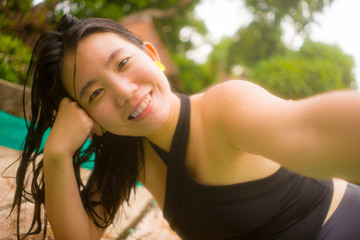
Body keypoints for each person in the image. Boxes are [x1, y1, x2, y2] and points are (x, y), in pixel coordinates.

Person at [11, 14, 360, 240]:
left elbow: (312, 130)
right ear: (92, 121)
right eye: (96, 92)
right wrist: (57, 152)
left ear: (152, 55)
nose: (125, 92)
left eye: (123, 63)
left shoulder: (225, 108)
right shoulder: (128, 157)